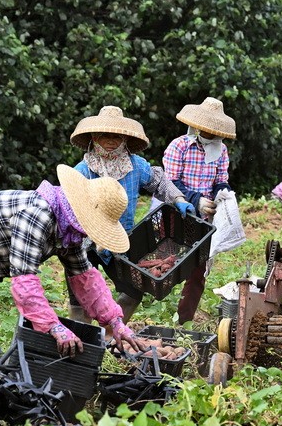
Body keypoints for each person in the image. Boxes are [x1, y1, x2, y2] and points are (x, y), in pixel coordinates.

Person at [0, 164, 145, 356]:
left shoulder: (68, 228)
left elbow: (85, 278)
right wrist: (53, 326)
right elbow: (25, 282)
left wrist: (115, 322)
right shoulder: (38, 215)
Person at [68, 106, 194, 321]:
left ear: (125, 139)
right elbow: (70, 207)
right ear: (93, 137)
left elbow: (159, 181)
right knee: (81, 298)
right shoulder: (83, 170)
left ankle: (112, 336)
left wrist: (179, 200)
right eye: (104, 135)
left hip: (120, 240)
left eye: (117, 136)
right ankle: (83, 344)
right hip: (84, 242)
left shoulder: (135, 166)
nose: (110, 141)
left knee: (133, 291)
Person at [162, 96, 235, 323]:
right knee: (166, 261)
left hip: (205, 219)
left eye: (214, 130)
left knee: (198, 270)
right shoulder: (180, 146)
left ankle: (184, 318)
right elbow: (169, 183)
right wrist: (195, 200)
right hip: (177, 212)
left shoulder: (220, 151)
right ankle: (156, 303)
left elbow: (221, 179)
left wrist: (223, 192)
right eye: (206, 128)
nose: (209, 133)